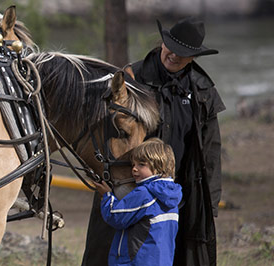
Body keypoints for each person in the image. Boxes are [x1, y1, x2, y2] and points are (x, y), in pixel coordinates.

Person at [82, 17, 226, 266]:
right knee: (110, 251)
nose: (174, 56)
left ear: (193, 57)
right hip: (127, 188)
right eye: (171, 48)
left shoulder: (203, 90)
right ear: (162, 42)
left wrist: (209, 203)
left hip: (179, 192)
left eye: (183, 53)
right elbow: (106, 128)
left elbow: (211, 149)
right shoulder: (132, 77)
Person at [93, 138, 182, 266]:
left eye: (141, 164)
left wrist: (107, 196)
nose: (134, 169)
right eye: (133, 164)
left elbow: (116, 216)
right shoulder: (172, 196)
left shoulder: (145, 193)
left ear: (159, 166)